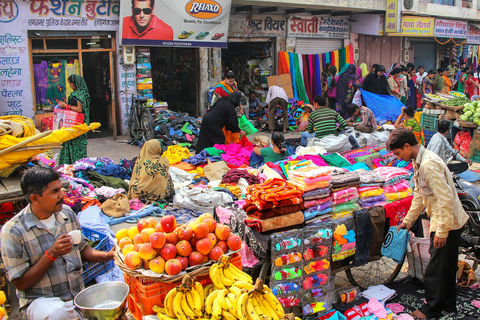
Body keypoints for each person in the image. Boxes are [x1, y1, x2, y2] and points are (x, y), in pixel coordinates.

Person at [0, 167, 115, 320]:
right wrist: (51, 254)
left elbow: (82, 249)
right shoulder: (13, 231)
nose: (62, 195)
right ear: (35, 198)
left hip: (76, 297)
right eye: (54, 192)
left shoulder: (67, 214)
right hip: (40, 302)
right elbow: (20, 283)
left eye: (61, 189)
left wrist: (108, 255)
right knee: (58, 313)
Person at [387, 128, 469, 320]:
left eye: (398, 153)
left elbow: (445, 199)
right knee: (446, 267)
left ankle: (431, 309)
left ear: (407, 146)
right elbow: (419, 195)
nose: (399, 157)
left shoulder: (428, 164)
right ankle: (447, 305)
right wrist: (408, 221)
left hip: (447, 222)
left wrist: (442, 231)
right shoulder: (419, 162)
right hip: (446, 220)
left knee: (435, 268)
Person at [57, 74, 90, 165]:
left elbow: (80, 109)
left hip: (78, 124)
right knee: (69, 142)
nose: (70, 86)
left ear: (77, 83)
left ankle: (77, 164)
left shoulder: (81, 94)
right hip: (71, 122)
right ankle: (69, 163)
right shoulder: (76, 93)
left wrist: (66, 106)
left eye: (71, 84)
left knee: (77, 145)